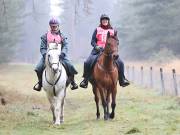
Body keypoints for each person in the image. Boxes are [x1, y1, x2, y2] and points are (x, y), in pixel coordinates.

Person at [80, 14, 130, 88]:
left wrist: (114, 46)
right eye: (103, 20)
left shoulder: (113, 30)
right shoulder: (97, 29)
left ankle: (122, 79)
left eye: (106, 20)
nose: (105, 21)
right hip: (98, 50)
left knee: (121, 63)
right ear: (101, 21)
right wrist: (96, 46)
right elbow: (92, 41)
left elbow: (117, 41)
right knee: (87, 62)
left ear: (108, 21)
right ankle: (85, 80)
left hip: (110, 52)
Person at [33, 18, 78, 91]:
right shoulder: (45, 36)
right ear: (50, 26)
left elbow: (66, 46)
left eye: (55, 26)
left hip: (60, 56)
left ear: (58, 26)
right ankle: (40, 83)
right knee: (38, 68)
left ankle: (73, 82)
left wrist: (63, 53)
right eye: (52, 26)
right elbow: (42, 48)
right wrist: (45, 55)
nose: (53, 28)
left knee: (70, 66)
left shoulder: (62, 36)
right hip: (48, 57)